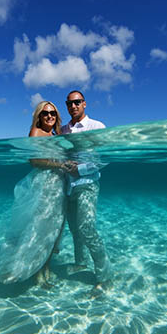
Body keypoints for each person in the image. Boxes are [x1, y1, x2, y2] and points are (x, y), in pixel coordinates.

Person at [0, 101, 73, 287]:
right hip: (45, 186)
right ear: (39, 116)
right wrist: (60, 165)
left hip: (58, 187)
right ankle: (31, 270)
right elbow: (35, 161)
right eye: (45, 113)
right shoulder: (36, 133)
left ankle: (45, 267)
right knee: (39, 228)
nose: (49, 116)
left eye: (53, 113)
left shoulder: (55, 135)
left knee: (53, 231)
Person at [61, 90, 112, 295]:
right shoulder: (64, 129)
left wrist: (79, 169)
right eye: (70, 103)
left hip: (88, 184)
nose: (73, 106)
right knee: (74, 229)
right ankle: (80, 263)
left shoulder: (97, 127)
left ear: (84, 104)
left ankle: (105, 277)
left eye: (77, 102)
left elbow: (106, 158)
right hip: (68, 187)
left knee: (87, 228)